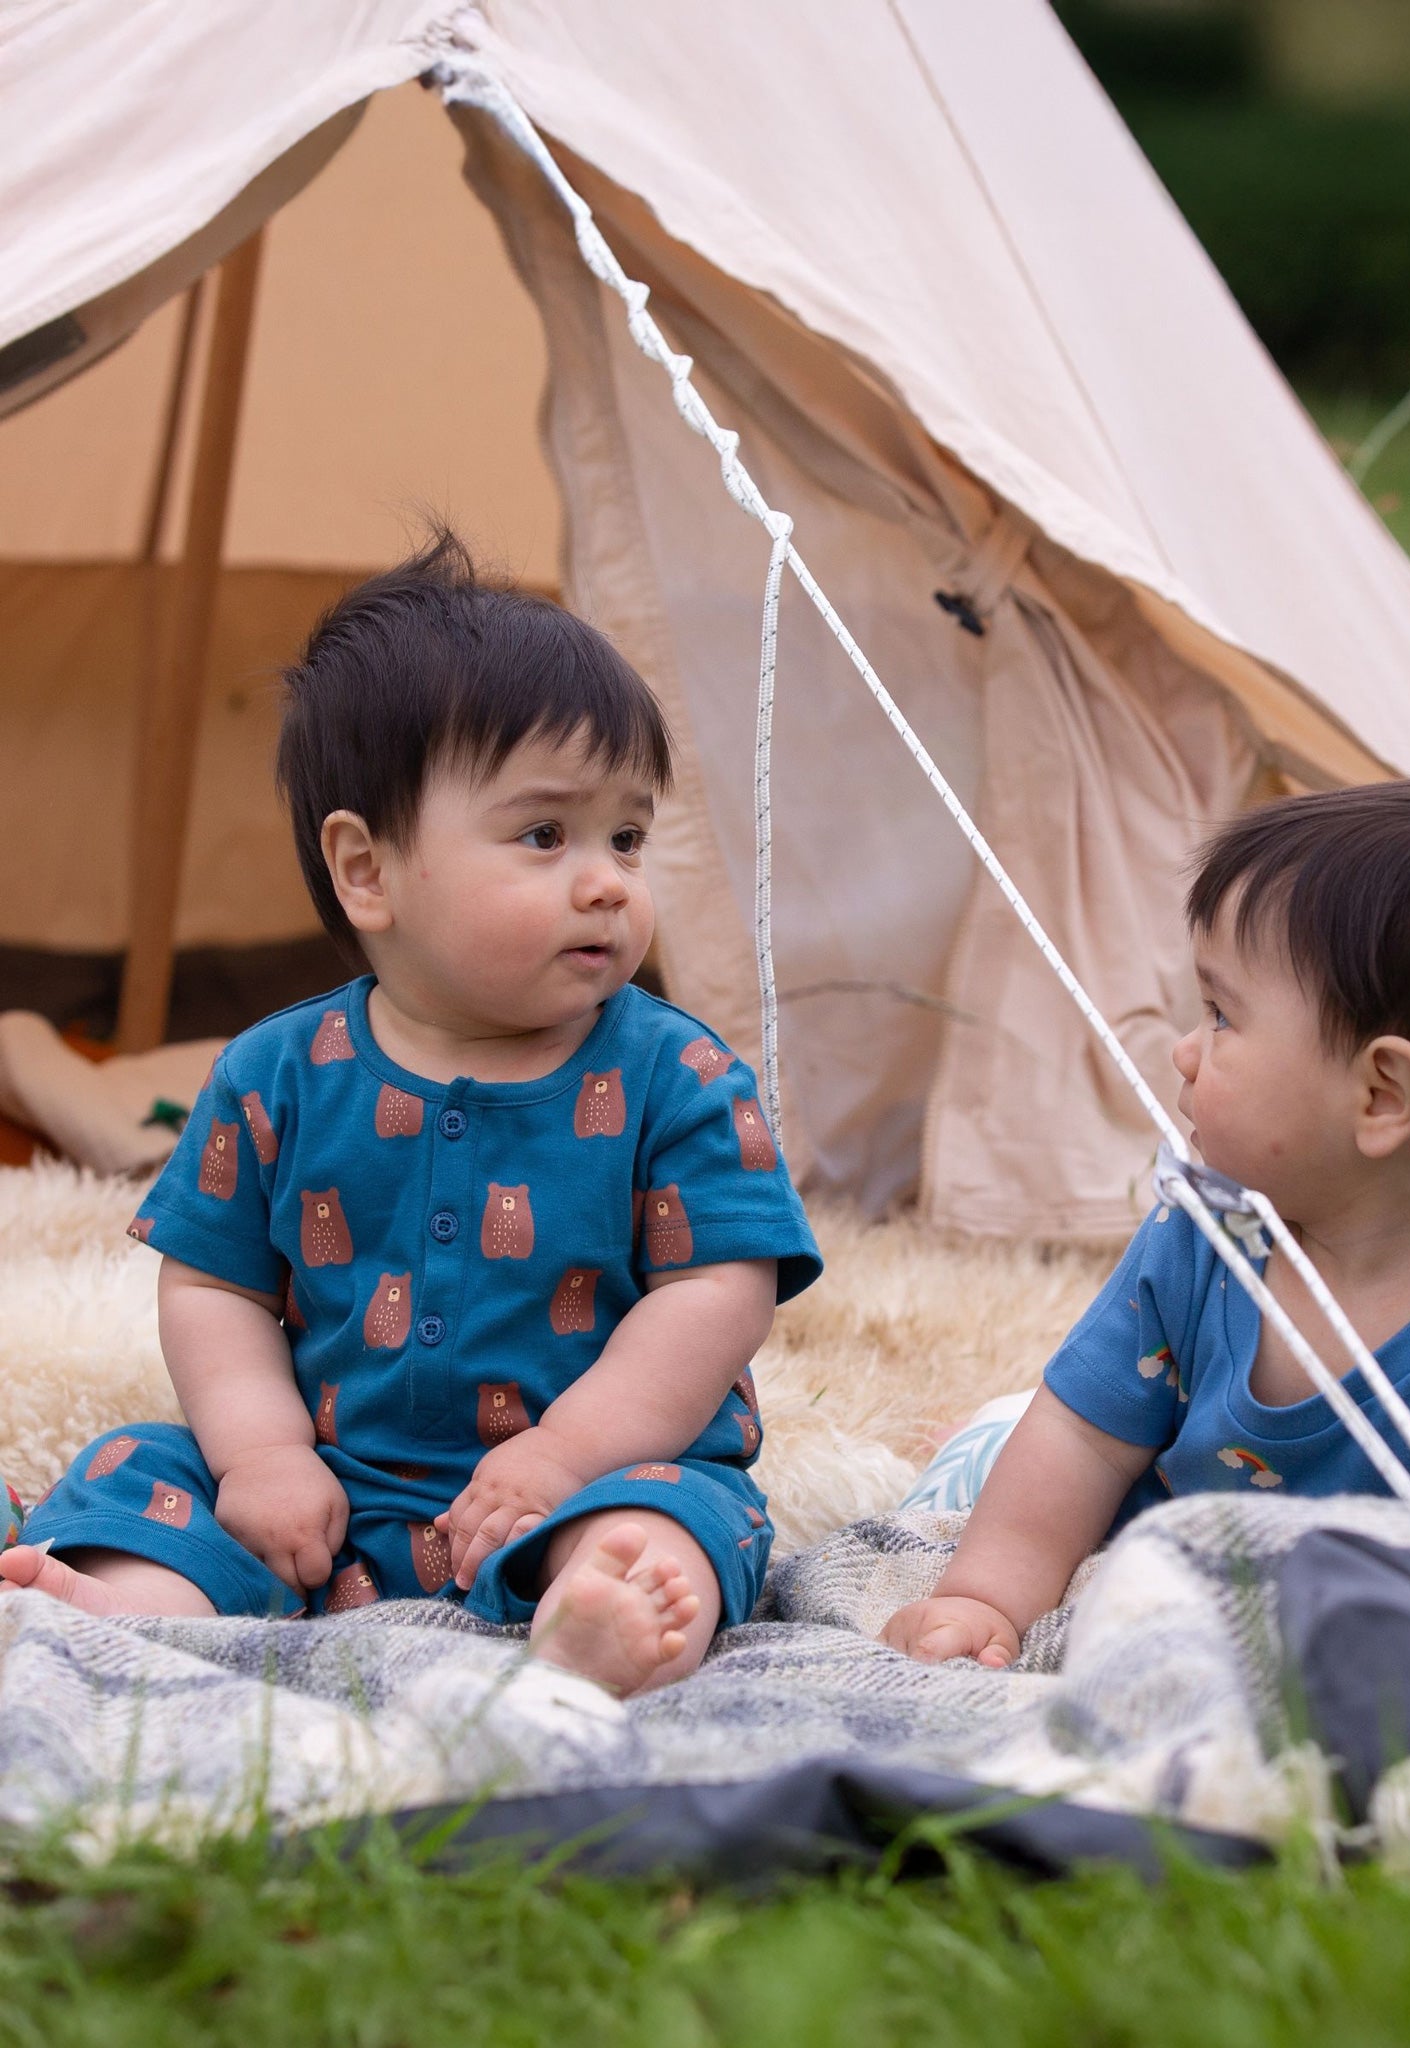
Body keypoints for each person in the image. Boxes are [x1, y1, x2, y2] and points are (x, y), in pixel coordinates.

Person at [0, 534, 820, 1697]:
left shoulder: (676, 1072)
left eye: (626, 837)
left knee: (680, 1515)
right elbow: (214, 1282)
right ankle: (120, 1608)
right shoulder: (274, 1073)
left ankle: (600, 1621)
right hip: (330, 1480)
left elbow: (718, 1290)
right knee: (143, 1467)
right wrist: (266, 1452)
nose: (607, 881)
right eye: (546, 834)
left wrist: (564, 1454)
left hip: (591, 1470)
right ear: (367, 870)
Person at [884, 765, 1410, 1671]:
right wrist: (984, 1598)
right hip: (1158, 1591)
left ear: (1382, 1094)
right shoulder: (1210, 1236)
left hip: (1357, 1653)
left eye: (1223, 1015)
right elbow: (1082, 1435)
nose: (1185, 1051)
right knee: (996, 1449)